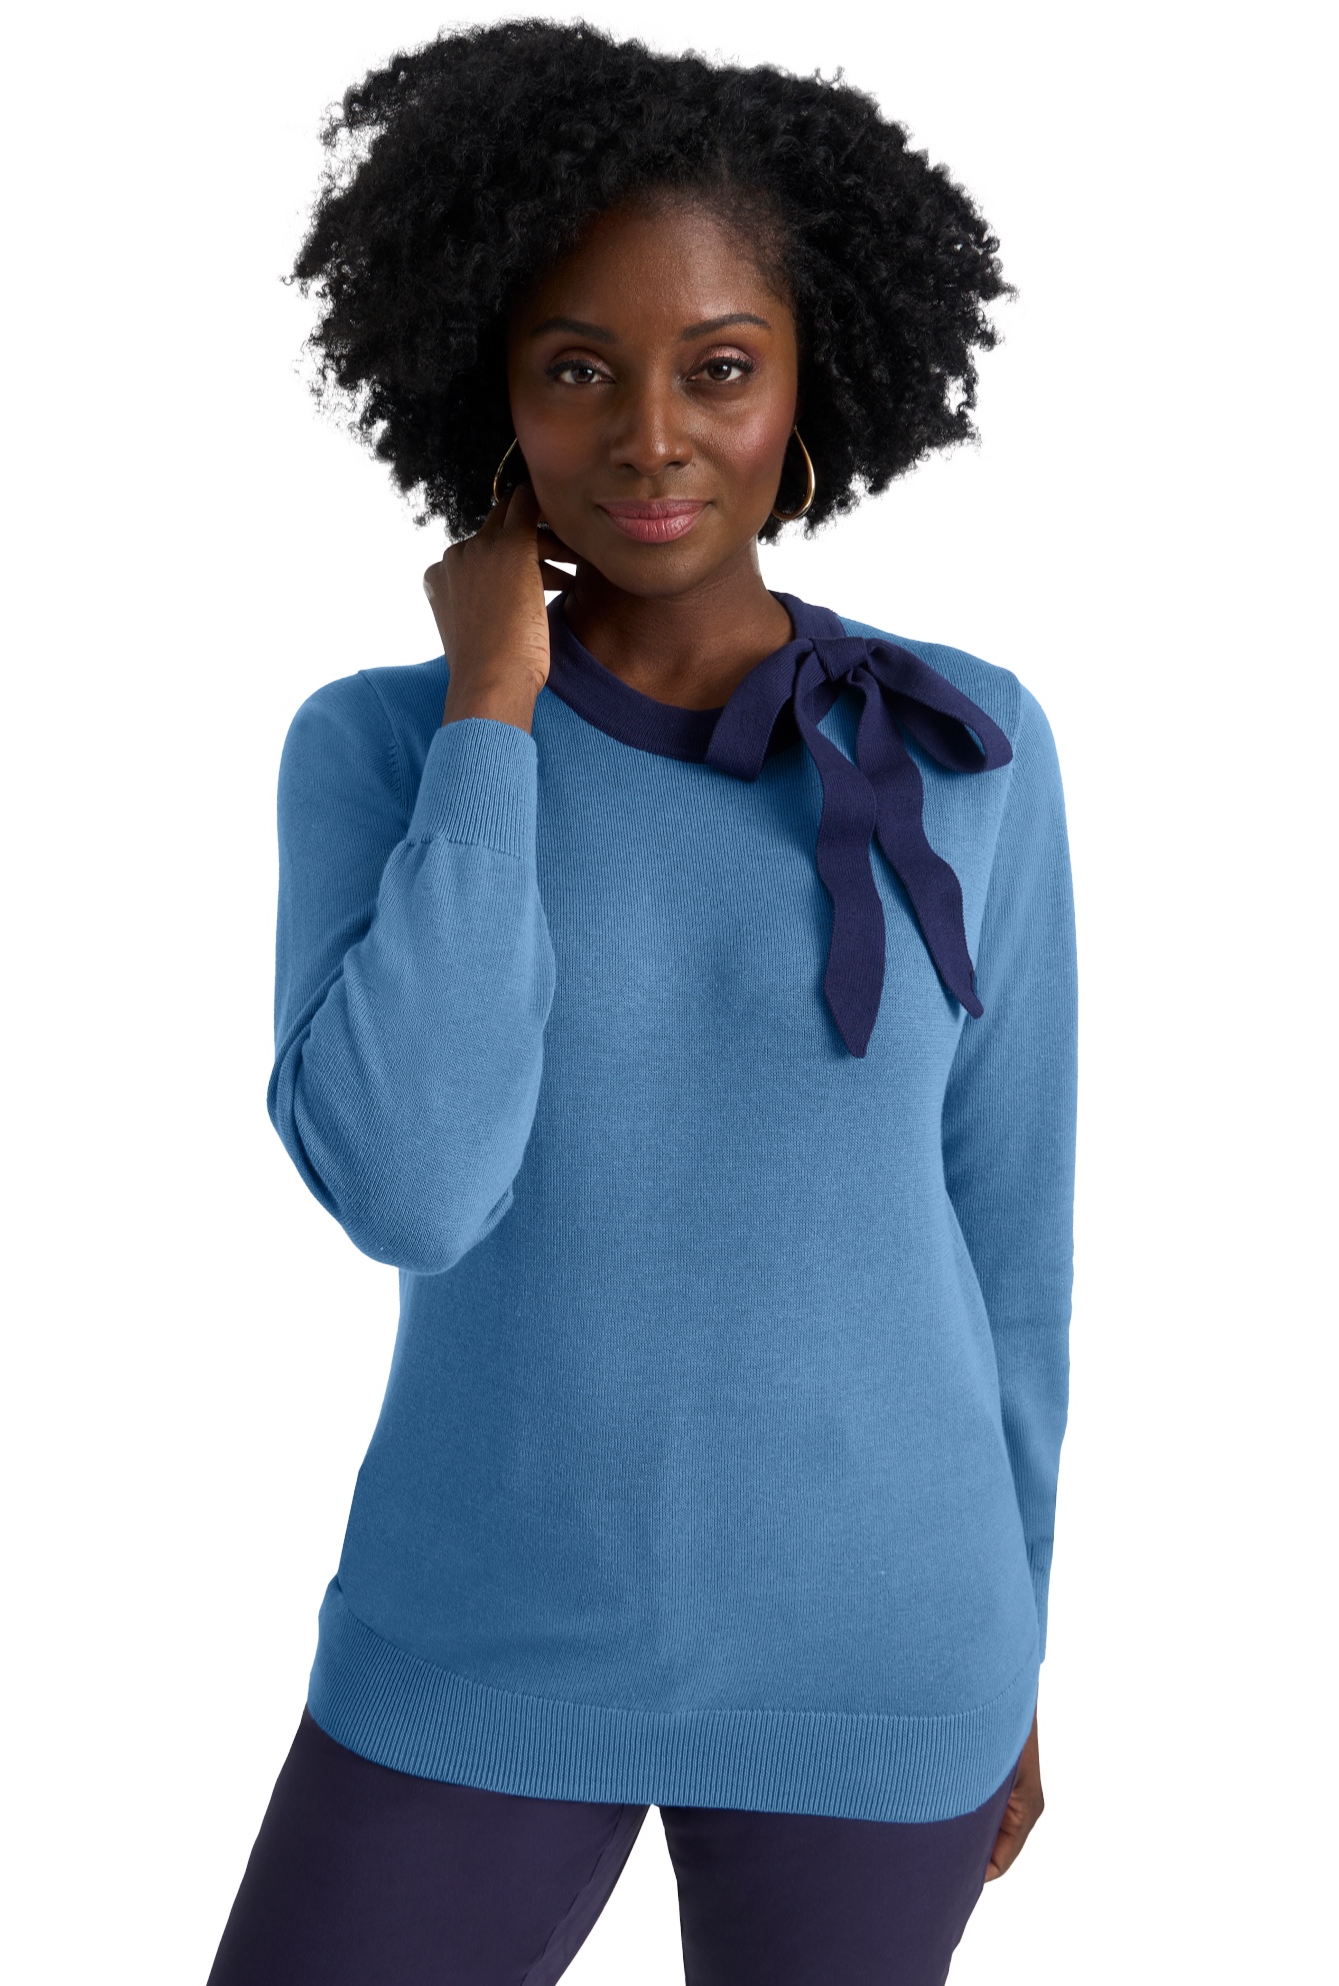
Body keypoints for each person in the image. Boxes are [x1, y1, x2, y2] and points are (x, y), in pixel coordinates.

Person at [207, 20, 1077, 1985]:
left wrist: (1023, 1638)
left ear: (809, 382)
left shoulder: (969, 745)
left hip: (888, 1656)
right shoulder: (379, 749)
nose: (654, 436)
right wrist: (494, 715)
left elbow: (1010, 1240)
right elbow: (414, 1182)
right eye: (580, 367)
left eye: (722, 367)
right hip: (480, 1636)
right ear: (491, 388)